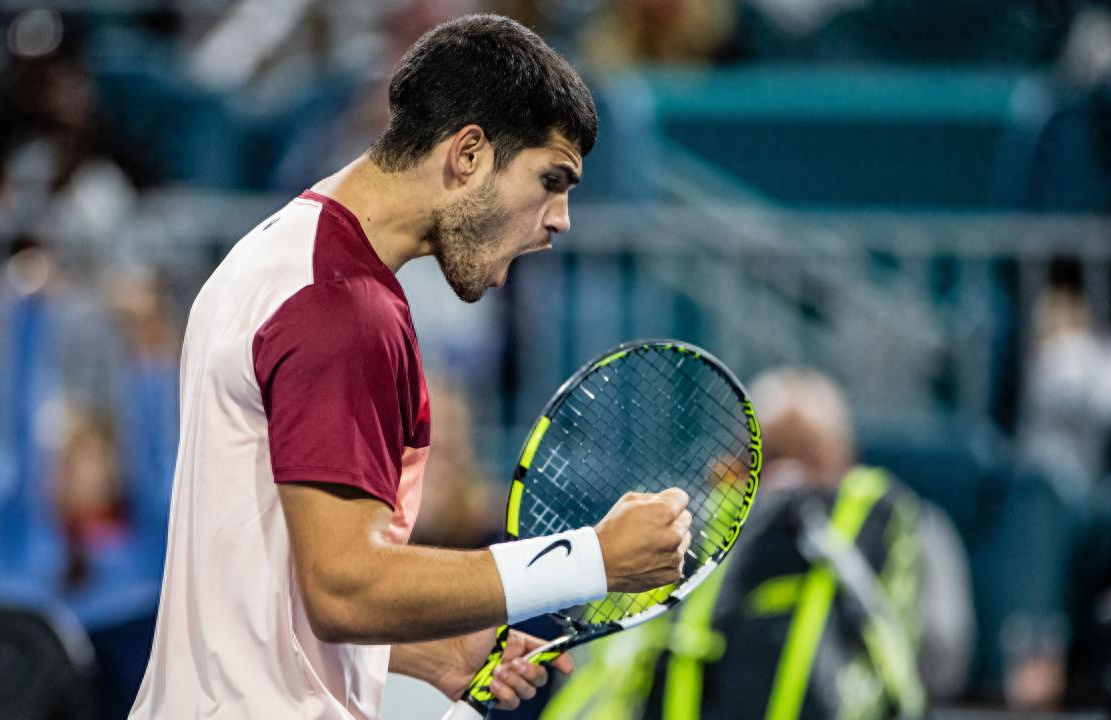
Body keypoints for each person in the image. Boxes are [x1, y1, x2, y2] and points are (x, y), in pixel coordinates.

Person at [129, 15, 693, 720]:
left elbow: (263, 571)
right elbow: (345, 587)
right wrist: (591, 560)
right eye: (551, 180)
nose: (561, 219)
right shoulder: (339, 306)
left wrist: (426, 652)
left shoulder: (277, 254)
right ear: (468, 154)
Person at [542, 368, 974, 720]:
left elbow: (596, 672)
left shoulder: (676, 525)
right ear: (845, 458)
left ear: (737, 461)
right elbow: (944, 662)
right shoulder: (908, 522)